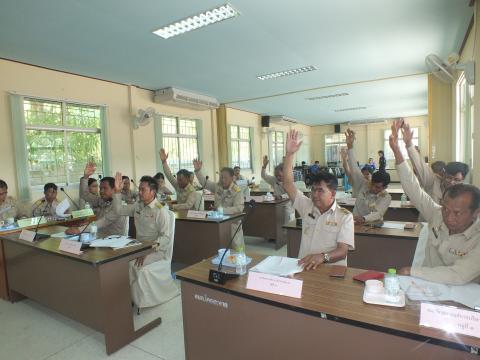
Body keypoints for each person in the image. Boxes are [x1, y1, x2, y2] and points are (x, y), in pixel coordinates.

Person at [389, 120, 480, 285]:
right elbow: (413, 188)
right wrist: (397, 151)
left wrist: (412, 271)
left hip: (464, 297)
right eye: (446, 209)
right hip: (427, 286)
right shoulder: (437, 213)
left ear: (476, 213)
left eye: (457, 213)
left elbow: (457, 275)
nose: (448, 217)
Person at [282, 130, 354, 270]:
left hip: (330, 271)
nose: (315, 194)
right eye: (313, 190)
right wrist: (290, 154)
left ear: (333, 193)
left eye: (320, 190)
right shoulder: (307, 206)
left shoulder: (345, 217)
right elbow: (288, 184)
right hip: (304, 267)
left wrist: (322, 257)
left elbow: (343, 251)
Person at [112, 173, 178, 307]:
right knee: (120, 263)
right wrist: (117, 192)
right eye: (139, 189)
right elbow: (118, 210)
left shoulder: (161, 211)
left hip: (156, 250)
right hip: (139, 248)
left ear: (153, 192)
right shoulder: (138, 206)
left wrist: (148, 251)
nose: (139, 193)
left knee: (132, 265)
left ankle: (138, 300)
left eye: (143, 190)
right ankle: (129, 296)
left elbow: (165, 238)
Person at [402, 119, 469, 205]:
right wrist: (409, 144)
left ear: (463, 180)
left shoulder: (467, 194)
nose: (452, 182)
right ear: (443, 174)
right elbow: (421, 167)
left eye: (456, 180)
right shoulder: (433, 182)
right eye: (449, 177)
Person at [67, 162, 127, 238]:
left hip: (114, 241)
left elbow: (103, 221)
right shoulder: (102, 201)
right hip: (98, 237)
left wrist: (80, 229)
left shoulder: (120, 206)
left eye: (105, 188)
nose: (101, 191)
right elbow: (84, 195)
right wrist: (86, 177)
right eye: (100, 188)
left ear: (114, 189)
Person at [193, 160, 245, 249]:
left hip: (231, 225)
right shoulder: (217, 186)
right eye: (221, 177)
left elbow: (239, 208)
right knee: (217, 246)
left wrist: (221, 210)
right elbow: (205, 183)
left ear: (232, 178)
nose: (222, 180)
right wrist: (198, 171)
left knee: (235, 250)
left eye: (225, 178)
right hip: (217, 222)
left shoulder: (237, 191)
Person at [345, 129, 392, 224]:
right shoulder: (363, 184)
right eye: (372, 184)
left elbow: (378, 214)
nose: (373, 188)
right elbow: (354, 168)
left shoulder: (386, 197)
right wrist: (350, 147)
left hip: (374, 225)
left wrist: (363, 219)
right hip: (355, 223)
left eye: (378, 187)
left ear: (385, 187)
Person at [261, 156, 295, 226]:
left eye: (279, 175)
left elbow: (290, 194)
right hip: (277, 206)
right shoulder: (274, 180)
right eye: (276, 175)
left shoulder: (289, 181)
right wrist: (264, 167)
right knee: (278, 226)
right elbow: (264, 176)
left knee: (287, 225)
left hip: (287, 207)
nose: (278, 177)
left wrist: (280, 196)